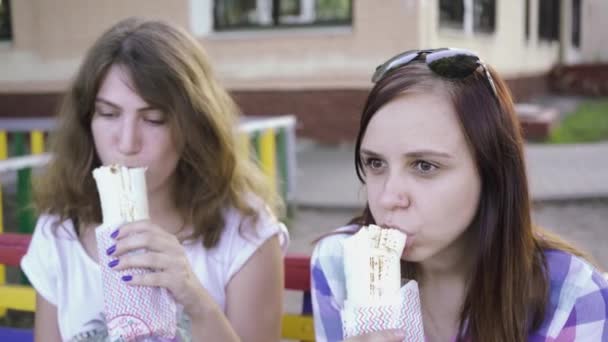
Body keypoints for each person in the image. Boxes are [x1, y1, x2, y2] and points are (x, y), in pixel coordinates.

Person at [310, 48, 608, 341]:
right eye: (376, 163)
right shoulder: (338, 264)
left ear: (492, 171)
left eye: (425, 166)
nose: (388, 198)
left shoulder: (573, 298)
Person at [20, 17, 289, 342]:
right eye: (108, 114)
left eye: (153, 119)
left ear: (192, 127)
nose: (127, 142)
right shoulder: (59, 232)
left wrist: (197, 301)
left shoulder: (246, 234)